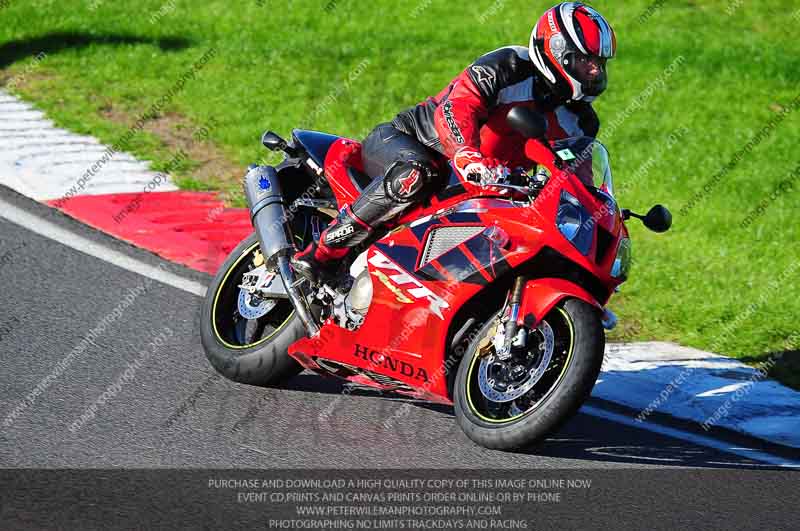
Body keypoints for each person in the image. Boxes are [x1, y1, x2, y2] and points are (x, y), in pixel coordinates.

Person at [292, 2, 616, 282]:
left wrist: (598, 211)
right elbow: (457, 108)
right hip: (412, 144)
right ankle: (324, 251)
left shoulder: (582, 120)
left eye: (599, 63)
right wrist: (465, 155)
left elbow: (576, 177)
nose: (594, 70)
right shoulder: (509, 66)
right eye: (585, 60)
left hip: (473, 186)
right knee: (417, 173)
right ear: (556, 50)